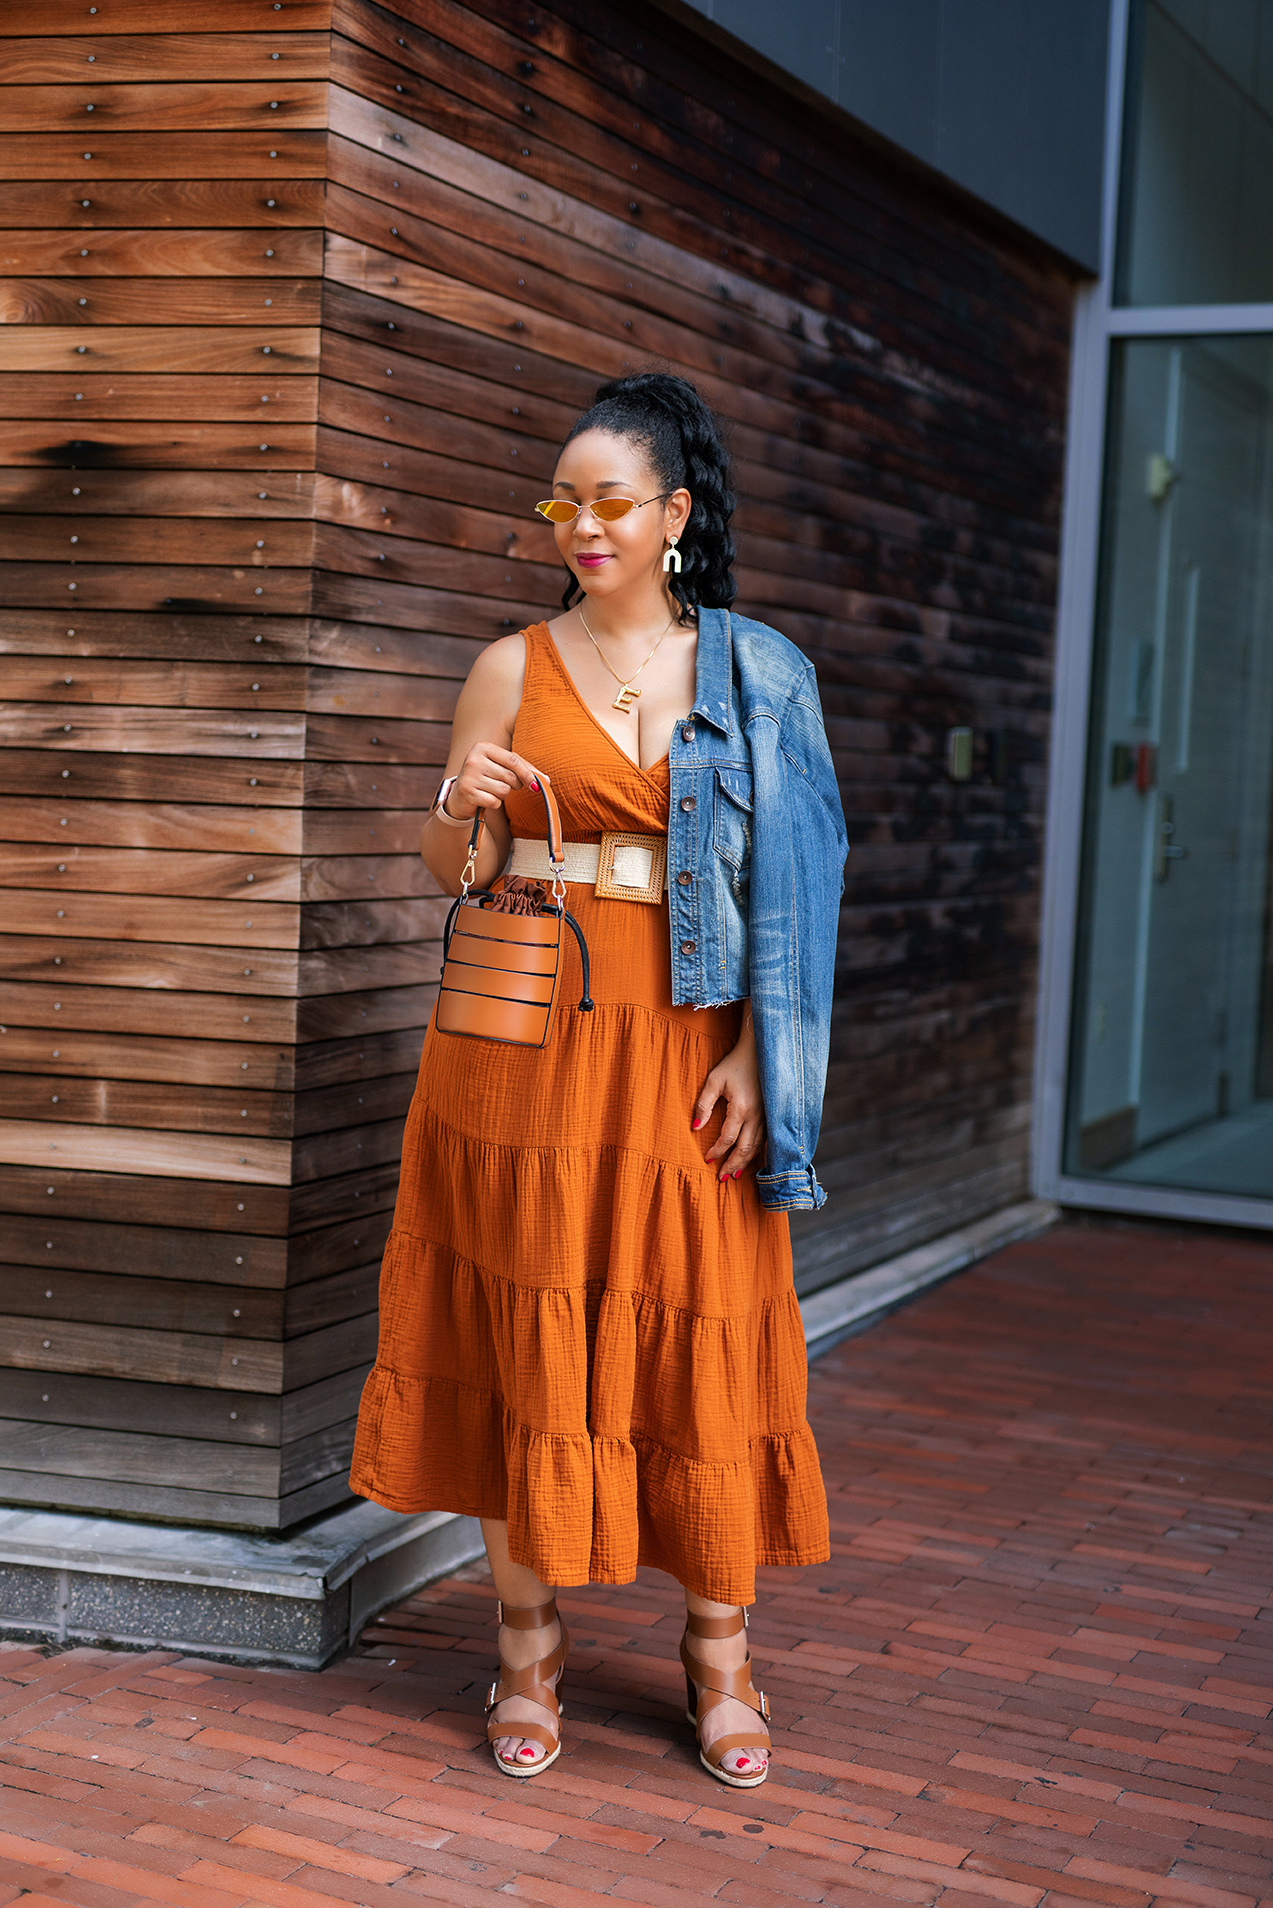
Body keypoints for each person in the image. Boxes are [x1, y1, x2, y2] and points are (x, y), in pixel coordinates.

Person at [350, 371, 847, 1789]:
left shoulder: (759, 672)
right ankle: (527, 1653)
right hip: (519, 1053)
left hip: (686, 1045)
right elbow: (459, 875)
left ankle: (719, 1658)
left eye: (609, 502)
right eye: (560, 502)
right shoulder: (509, 663)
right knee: (522, 1332)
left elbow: (804, 882)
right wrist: (455, 809)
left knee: (706, 1330)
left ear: (674, 514)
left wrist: (764, 1049)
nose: (580, 525)